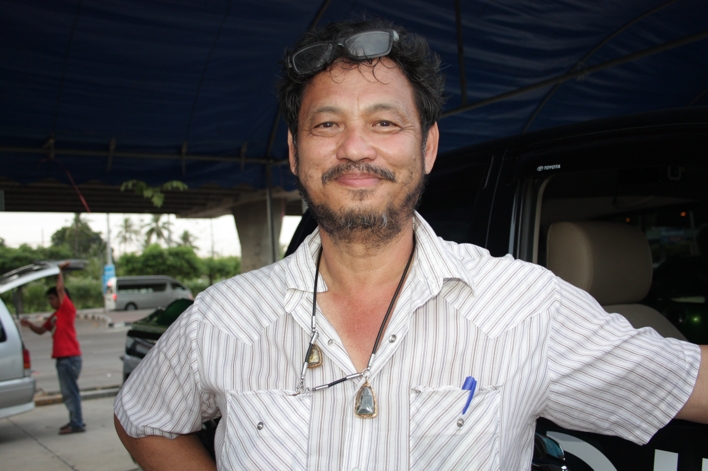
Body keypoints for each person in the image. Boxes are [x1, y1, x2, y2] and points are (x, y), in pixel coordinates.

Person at [114, 18, 707, 470]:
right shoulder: (222, 318)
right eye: (327, 124)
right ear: (295, 154)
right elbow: (142, 419)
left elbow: (690, 384)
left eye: (384, 122)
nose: (355, 148)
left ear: (427, 147)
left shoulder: (525, 305)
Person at [21, 261, 84, 435]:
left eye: (52, 298)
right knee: (68, 391)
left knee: (70, 392)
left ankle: (76, 423)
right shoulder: (55, 316)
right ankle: (75, 420)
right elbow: (42, 330)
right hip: (63, 359)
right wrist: (30, 325)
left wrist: (59, 272)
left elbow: (60, 289)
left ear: (60, 298)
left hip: (69, 357)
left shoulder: (67, 309)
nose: (50, 302)